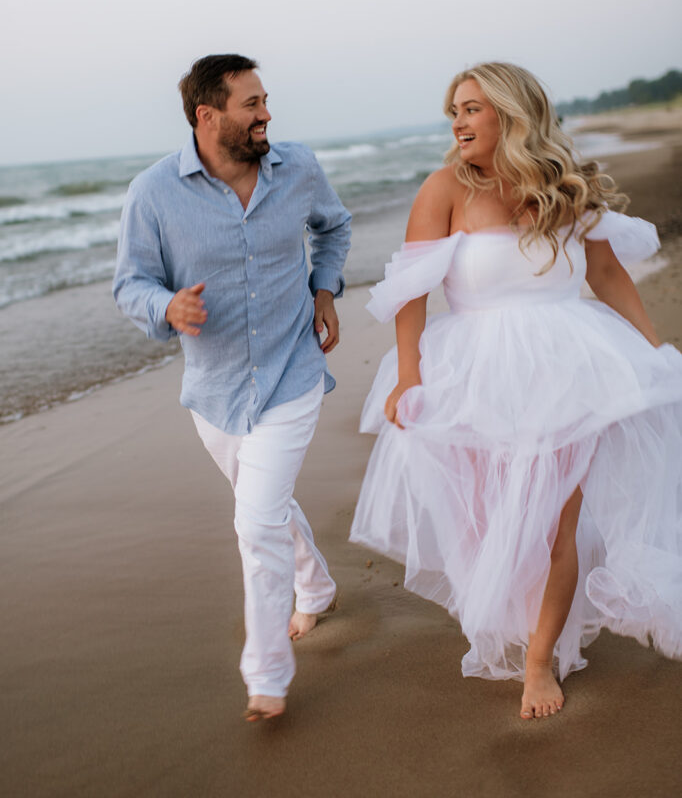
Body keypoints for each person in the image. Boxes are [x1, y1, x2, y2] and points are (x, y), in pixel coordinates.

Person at [350, 62, 682, 719]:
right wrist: (410, 376)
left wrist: (653, 357)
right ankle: (513, 621)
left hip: (569, 370)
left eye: (471, 107)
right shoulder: (445, 187)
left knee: (557, 521)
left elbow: (609, 275)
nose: (457, 120)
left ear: (510, 112)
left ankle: (538, 662)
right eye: (454, 109)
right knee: (493, 523)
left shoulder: (567, 186)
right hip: (473, 377)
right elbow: (412, 290)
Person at [114, 54, 351, 722]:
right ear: (207, 115)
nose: (267, 113)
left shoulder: (297, 167)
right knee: (266, 504)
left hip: (292, 372)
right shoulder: (153, 194)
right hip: (215, 393)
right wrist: (166, 308)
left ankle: (267, 675)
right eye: (252, 104)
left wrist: (324, 289)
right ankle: (318, 585)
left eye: (266, 100)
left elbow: (334, 226)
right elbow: (131, 282)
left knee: (255, 520)